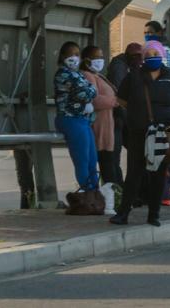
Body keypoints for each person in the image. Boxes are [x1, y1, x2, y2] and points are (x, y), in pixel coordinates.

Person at [110, 40, 170, 227]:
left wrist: (165, 114)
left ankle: (154, 214)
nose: (152, 57)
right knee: (134, 173)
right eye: (148, 54)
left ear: (162, 56)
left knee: (159, 173)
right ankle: (123, 213)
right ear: (143, 57)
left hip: (164, 132)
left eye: (156, 54)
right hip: (139, 131)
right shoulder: (134, 76)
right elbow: (122, 100)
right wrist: (139, 112)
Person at [54, 42, 99, 213]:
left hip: (82, 119)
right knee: (82, 160)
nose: (74, 57)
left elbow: (89, 91)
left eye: (77, 54)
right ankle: (87, 196)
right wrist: (91, 89)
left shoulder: (77, 74)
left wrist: (90, 90)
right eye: (69, 54)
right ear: (63, 57)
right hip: (70, 119)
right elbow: (86, 93)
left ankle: (94, 194)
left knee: (92, 158)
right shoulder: (63, 74)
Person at [80, 45, 119, 215]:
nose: (100, 60)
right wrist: (116, 101)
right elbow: (94, 100)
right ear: (87, 59)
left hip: (106, 126)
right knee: (105, 165)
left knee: (108, 165)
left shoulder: (98, 76)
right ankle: (106, 204)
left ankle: (109, 202)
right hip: (98, 127)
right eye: (97, 57)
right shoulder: (88, 76)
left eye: (102, 56)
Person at [107, 43, 143, 185]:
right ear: (130, 56)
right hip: (118, 117)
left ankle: (131, 189)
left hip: (124, 116)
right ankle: (120, 189)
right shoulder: (119, 66)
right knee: (114, 157)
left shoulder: (129, 65)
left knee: (136, 154)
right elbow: (121, 94)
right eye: (137, 57)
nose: (140, 60)